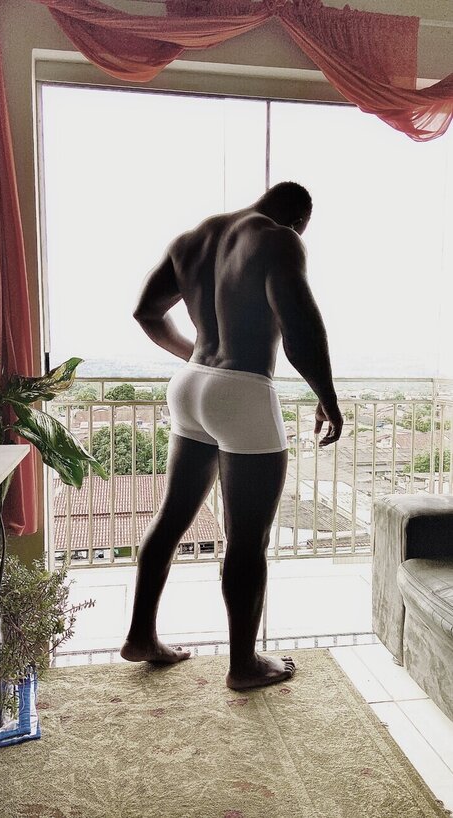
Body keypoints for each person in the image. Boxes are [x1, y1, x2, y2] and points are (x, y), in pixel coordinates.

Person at [120, 181, 343, 690]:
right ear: (299, 219)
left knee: (171, 517)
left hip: (189, 384)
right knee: (247, 539)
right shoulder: (279, 239)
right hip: (243, 390)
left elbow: (146, 312)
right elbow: (300, 330)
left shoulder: (192, 239)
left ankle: (141, 636)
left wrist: (199, 364)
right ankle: (244, 664)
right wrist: (327, 398)